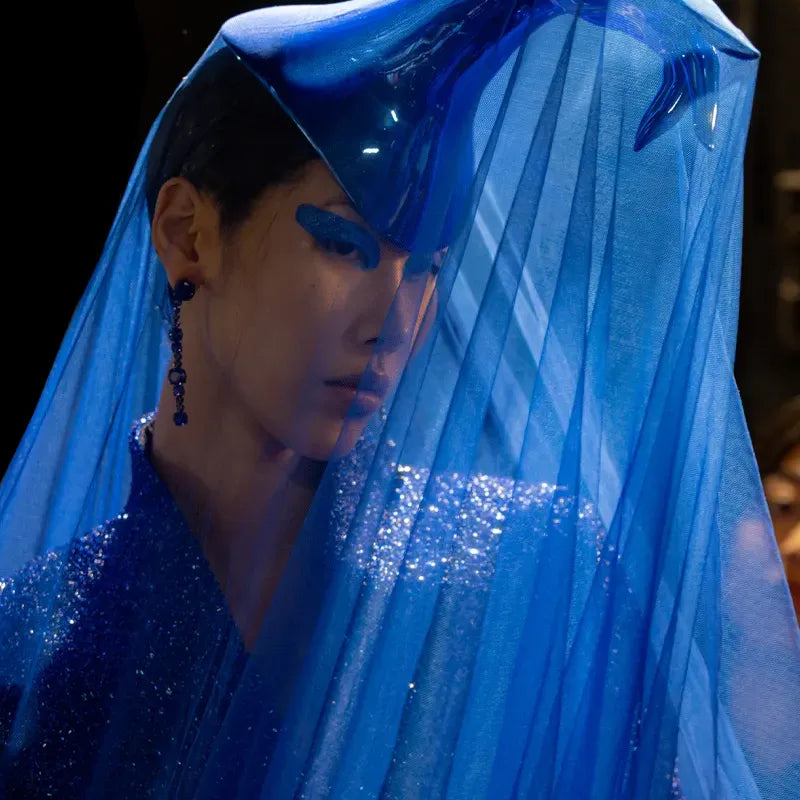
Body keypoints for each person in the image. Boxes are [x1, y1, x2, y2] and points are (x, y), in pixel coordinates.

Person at [1, 1, 797, 798]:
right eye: (344, 245)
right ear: (187, 232)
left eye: (428, 268)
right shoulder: (32, 648)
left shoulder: (540, 572)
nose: (394, 323)